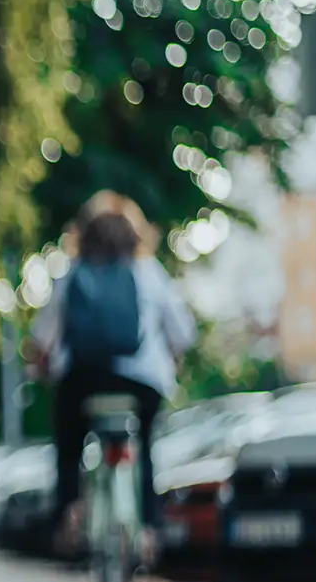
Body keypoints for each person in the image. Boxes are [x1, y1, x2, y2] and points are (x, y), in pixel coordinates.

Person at [29, 191, 196, 558]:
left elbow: (41, 339)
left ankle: (69, 511)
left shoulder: (71, 274)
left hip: (82, 381)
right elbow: (183, 333)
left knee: (69, 448)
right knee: (146, 447)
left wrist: (41, 368)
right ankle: (149, 528)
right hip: (143, 383)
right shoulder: (150, 273)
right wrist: (172, 358)